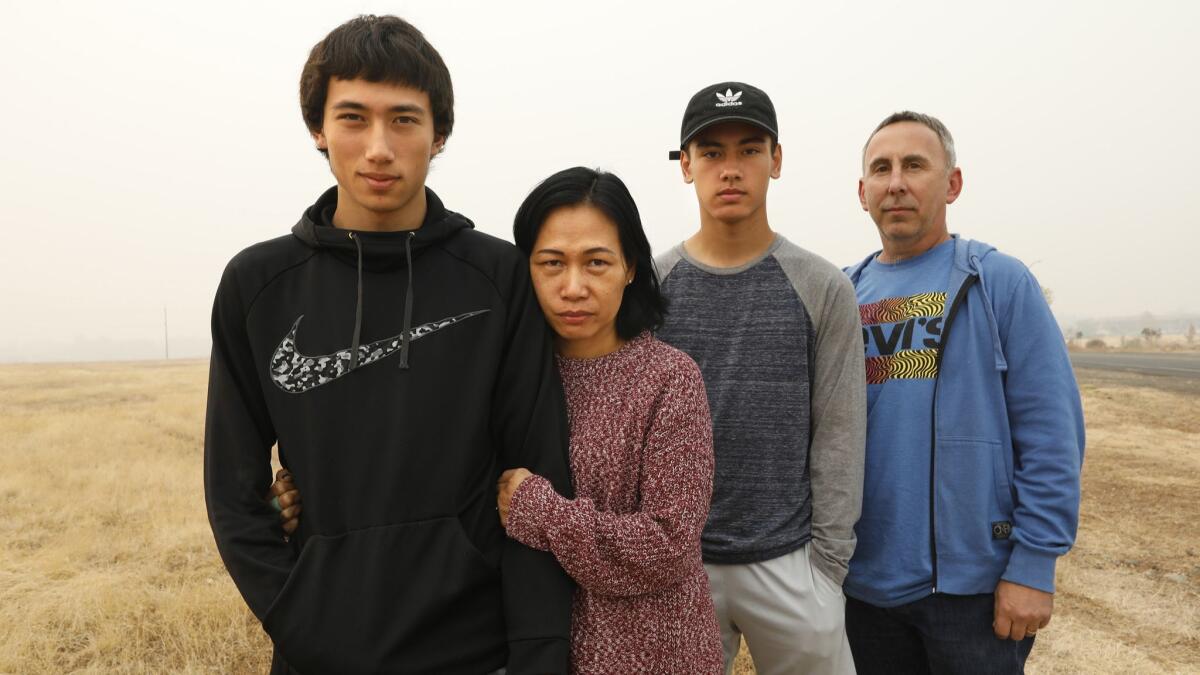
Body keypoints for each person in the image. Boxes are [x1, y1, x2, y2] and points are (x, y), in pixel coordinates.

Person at [203, 15, 573, 675]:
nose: (379, 147)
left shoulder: (497, 279)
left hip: (475, 652)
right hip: (316, 653)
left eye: (403, 119)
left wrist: (540, 654)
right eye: (353, 118)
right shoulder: (257, 287)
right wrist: (298, 618)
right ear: (318, 128)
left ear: (440, 134)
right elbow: (232, 492)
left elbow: (536, 475)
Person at [274, 167, 725, 673]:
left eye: (597, 262)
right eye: (551, 263)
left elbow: (667, 544)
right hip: (516, 651)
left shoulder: (668, 379)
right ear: (522, 268)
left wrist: (541, 512)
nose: (573, 287)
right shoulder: (497, 369)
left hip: (654, 653)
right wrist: (303, 495)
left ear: (630, 267)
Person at [842, 111, 1085, 674]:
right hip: (861, 589)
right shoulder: (842, 295)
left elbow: (1052, 433)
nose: (896, 181)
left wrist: (1033, 564)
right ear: (862, 192)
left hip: (973, 589)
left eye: (915, 165)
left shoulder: (997, 281)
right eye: (881, 168)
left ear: (951, 183)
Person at [657, 82, 866, 674]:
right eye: (712, 152)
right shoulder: (648, 286)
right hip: (679, 568)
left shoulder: (823, 287)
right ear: (686, 166)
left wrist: (827, 569)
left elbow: (840, 433)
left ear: (776, 160)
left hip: (792, 564)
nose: (731, 169)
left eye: (749, 150)